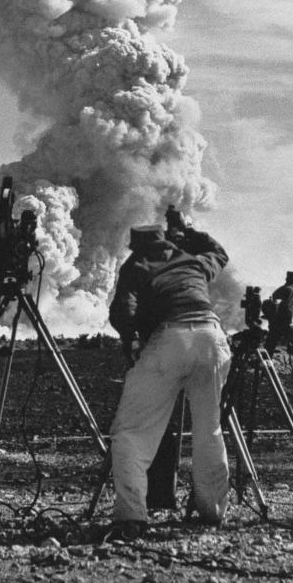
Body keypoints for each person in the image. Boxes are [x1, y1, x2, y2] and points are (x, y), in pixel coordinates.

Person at [106, 219, 231, 540]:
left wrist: (131, 339)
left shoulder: (137, 265)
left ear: (137, 246)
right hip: (213, 339)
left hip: (170, 340)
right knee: (209, 429)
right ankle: (212, 512)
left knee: (131, 433)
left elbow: (123, 310)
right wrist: (188, 229)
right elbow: (218, 252)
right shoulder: (193, 260)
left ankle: (132, 515)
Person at [265, 270, 293, 374]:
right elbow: (286, 306)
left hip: (276, 323)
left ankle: (266, 369)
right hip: (285, 322)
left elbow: (273, 300)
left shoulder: (281, 289)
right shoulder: (291, 290)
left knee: (270, 346)